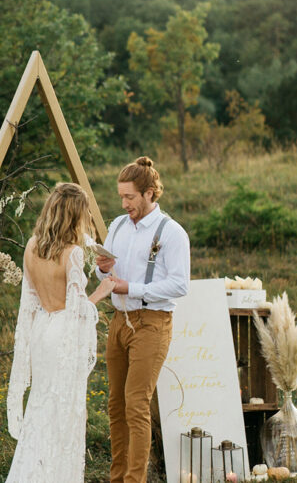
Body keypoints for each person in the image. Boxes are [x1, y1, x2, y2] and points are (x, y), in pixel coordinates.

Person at [6, 182, 117, 483]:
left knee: (42, 406)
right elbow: (77, 309)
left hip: (41, 330)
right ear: (74, 216)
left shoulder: (31, 246)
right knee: (62, 416)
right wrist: (102, 292)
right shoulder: (71, 254)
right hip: (61, 339)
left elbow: (28, 301)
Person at [95, 156, 190, 483]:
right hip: (118, 321)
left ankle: (135, 480)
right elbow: (104, 269)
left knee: (136, 404)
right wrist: (102, 269)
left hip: (152, 322)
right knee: (115, 405)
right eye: (121, 197)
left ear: (150, 193)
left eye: (130, 197)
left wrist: (130, 287)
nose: (124, 204)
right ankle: (117, 478)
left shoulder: (172, 232)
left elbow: (180, 284)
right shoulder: (118, 226)